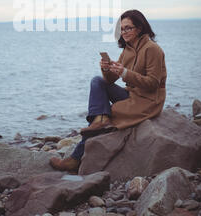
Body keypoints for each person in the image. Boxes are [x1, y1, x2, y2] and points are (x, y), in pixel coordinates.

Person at [49, 9, 167, 172]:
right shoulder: (128, 50)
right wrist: (106, 69)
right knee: (97, 81)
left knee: (106, 115)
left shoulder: (152, 49)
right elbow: (110, 81)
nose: (124, 32)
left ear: (139, 28)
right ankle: (100, 120)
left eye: (128, 28)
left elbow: (153, 83)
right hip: (132, 95)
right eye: (121, 29)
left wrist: (125, 73)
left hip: (148, 101)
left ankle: (75, 158)